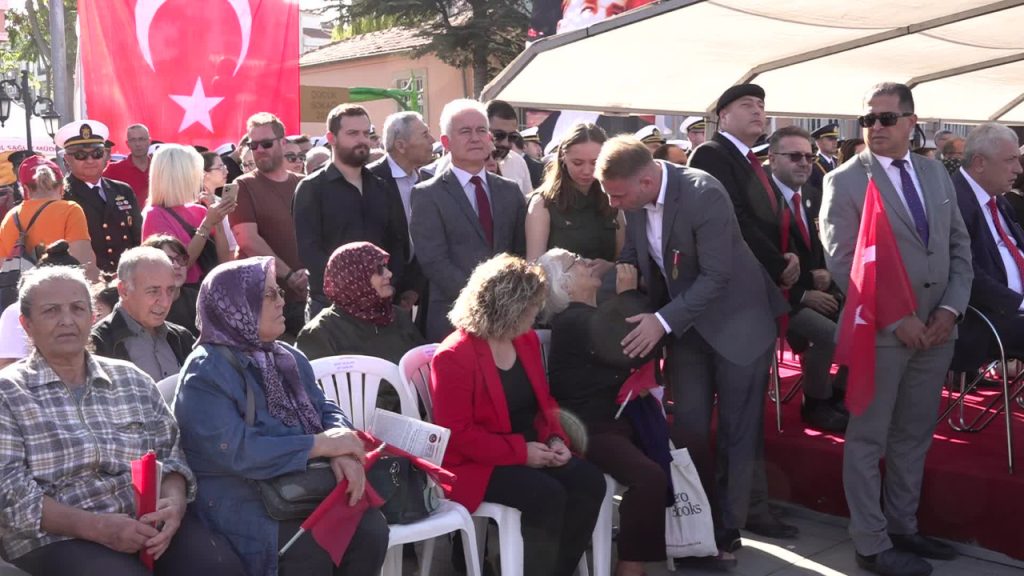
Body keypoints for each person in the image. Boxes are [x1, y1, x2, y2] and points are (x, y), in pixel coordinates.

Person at [596, 136, 789, 562]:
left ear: (647, 180)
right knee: (688, 431)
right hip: (687, 329)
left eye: (618, 194)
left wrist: (661, 321)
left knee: (738, 432)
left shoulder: (704, 193)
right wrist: (591, 288)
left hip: (739, 325)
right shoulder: (634, 201)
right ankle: (696, 522)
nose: (614, 204)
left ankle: (727, 530)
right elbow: (633, 259)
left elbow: (717, 276)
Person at [0, 265, 244, 575]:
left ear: (92, 317)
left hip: (145, 523)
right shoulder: (8, 392)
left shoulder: (131, 380)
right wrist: (100, 528)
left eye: (77, 308)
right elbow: (11, 495)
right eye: (50, 311)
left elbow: (171, 455)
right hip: (56, 536)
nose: (67, 320)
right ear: (27, 324)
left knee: (219, 567)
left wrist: (173, 505)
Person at [820, 82, 973, 576]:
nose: (876, 129)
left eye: (886, 119)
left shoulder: (935, 172)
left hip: (937, 331)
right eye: (868, 121)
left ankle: (902, 527)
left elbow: (959, 249)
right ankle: (870, 542)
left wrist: (950, 310)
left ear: (911, 121)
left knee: (913, 434)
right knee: (869, 438)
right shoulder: (844, 181)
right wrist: (897, 318)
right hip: (882, 333)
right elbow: (845, 262)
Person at [174, 257, 388, 576]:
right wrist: (318, 446)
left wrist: (343, 451)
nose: (282, 301)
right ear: (238, 306)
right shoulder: (206, 373)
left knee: (370, 529)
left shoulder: (284, 355)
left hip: (299, 482)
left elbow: (325, 407)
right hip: (241, 493)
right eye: (269, 295)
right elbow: (238, 451)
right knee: (308, 549)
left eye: (279, 292)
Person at [430, 253, 605, 576]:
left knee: (589, 482)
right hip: (477, 460)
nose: (537, 314)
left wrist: (555, 437)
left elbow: (544, 402)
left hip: (529, 444)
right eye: (530, 308)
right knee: (546, 495)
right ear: (506, 309)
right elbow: (459, 434)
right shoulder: (454, 355)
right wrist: (520, 453)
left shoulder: (523, 340)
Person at [538, 248, 666, 576]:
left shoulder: (590, 315)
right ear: (564, 286)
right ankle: (630, 566)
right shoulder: (572, 319)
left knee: (690, 442)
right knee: (649, 476)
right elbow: (635, 349)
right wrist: (629, 296)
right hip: (588, 427)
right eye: (576, 262)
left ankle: (702, 542)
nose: (587, 262)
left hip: (618, 418)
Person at [409, 99, 528, 342]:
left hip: (506, 321)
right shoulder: (427, 194)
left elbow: (519, 253)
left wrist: (506, 302)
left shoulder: (510, 191)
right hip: (454, 321)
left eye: (481, 130)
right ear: (445, 142)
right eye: (465, 131)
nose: (475, 138)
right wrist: (483, 300)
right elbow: (434, 261)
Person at [767, 126, 849, 431]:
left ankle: (839, 396)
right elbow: (762, 261)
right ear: (773, 159)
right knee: (831, 335)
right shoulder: (761, 199)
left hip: (817, 291)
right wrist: (802, 295)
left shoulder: (814, 196)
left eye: (809, 156)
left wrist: (828, 273)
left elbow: (824, 246)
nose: (804, 162)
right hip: (776, 300)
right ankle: (815, 403)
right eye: (795, 156)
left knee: (864, 322)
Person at [294, 104, 408, 321]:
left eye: (366, 133)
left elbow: (397, 243)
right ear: (331, 137)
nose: (362, 140)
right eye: (352, 133)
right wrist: (352, 289)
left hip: (381, 305)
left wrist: (389, 285)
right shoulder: (312, 188)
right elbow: (309, 252)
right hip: (330, 310)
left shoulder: (382, 187)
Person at [296, 242, 425, 411]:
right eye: (379, 270)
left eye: (385, 267)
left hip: (415, 417)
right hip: (358, 427)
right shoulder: (319, 333)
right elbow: (319, 400)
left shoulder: (397, 316)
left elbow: (424, 371)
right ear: (353, 277)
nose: (388, 274)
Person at [229, 112, 309, 339]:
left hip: (305, 297)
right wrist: (290, 276)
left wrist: (308, 274)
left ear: (283, 143)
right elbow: (248, 240)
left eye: (266, 143)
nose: (259, 150)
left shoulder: (304, 185)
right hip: (261, 301)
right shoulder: (243, 186)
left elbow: (320, 234)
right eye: (253, 145)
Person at [951, 123, 1024, 367]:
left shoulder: (998, 200)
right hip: (983, 320)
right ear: (980, 163)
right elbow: (966, 273)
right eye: (1011, 159)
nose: (1019, 168)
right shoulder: (954, 202)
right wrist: (1019, 302)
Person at [368, 111, 436, 319]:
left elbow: (428, 238)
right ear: (400, 145)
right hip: (379, 293)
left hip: (416, 294)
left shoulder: (427, 181)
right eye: (424, 134)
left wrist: (415, 288)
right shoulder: (370, 181)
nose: (432, 140)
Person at [90, 247, 195, 380]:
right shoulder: (97, 343)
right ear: (124, 291)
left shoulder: (182, 338)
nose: (165, 302)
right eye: (153, 291)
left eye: (170, 290)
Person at [526, 122, 623, 262]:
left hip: (607, 283)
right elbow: (533, 266)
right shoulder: (543, 203)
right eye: (577, 163)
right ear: (563, 158)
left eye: (595, 163)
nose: (586, 171)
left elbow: (623, 259)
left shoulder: (613, 199)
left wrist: (609, 267)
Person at [141, 145, 235, 287]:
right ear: (179, 176)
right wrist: (208, 223)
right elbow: (180, 264)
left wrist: (218, 218)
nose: (199, 177)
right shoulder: (154, 215)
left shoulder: (200, 210)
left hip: (209, 290)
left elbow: (223, 260)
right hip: (181, 297)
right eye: (194, 172)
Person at [57, 120, 143, 273]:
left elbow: (138, 238)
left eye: (97, 153)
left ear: (105, 155)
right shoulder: (61, 195)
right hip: (86, 281)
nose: (90, 160)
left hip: (126, 278)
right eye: (80, 155)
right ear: (67, 159)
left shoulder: (123, 190)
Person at [0, 155, 97, 279]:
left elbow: (3, 266)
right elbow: (84, 263)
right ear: (62, 187)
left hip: (23, 294)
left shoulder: (10, 217)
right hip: (61, 292)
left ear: (25, 189)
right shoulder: (71, 210)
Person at [142, 234, 200, 336]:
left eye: (181, 259)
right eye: (168, 260)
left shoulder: (199, 300)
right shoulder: (141, 304)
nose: (177, 266)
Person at [486, 100, 534, 196]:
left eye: (512, 136)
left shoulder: (518, 162)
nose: (505, 143)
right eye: (499, 135)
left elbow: (526, 203)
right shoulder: (465, 163)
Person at [200, 151, 239, 256]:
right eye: (220, 167)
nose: (226, 171)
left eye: (224, 166)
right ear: (205, 174)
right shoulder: (199, 204)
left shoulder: (219, 200)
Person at [103, 123, 152, 206]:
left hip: (156, 218)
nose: (138, 144)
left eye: (141, 139)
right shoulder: (114, 170)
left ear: (149, 141)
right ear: (127, 143)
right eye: (133, 140)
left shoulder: (160, 168)